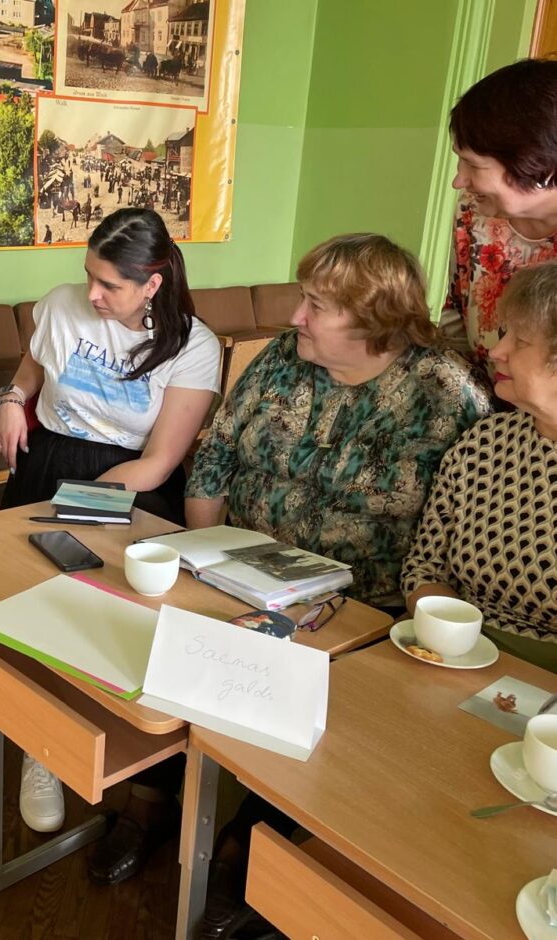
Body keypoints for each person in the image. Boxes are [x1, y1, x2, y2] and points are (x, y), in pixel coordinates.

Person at [184, 233, 493, 938]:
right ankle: (154, 800)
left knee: (306, 734)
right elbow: (217, 453)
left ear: (374, 318)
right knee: (177, 671)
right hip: (239, 575)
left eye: (317, 306)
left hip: (361, 614)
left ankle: (252, 844)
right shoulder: (283, 360)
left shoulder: (445, 393)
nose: (296, 316)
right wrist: (202, 558)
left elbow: (456, 534)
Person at [0, 207, 221, 857]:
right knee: (28, 604)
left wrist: (77, 504)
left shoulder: (193, 346)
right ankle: (37, 742)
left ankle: (111, 760)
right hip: (49, 460)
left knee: (103, 621)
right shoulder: (61, 303)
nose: (91, 294)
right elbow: (33, 366)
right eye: (88, 275)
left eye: (109, 285)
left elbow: (159, 461)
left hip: (130, 479)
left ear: (152, 284)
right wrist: (12, 401)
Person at [405, 262, 557, 673]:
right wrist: (451, 643)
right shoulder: (484, 442)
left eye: (520, 340)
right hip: (459, 658)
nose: (496, 351)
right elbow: (425, 566)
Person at [441, 58, 557, 376]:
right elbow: (455, 322)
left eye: (474, 165)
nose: (458, 180)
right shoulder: (473, 211)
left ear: (541, 165)